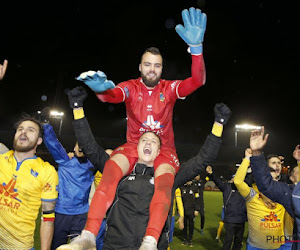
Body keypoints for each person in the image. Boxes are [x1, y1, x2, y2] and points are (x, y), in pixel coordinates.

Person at [75, 7, 207, 249]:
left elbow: (197, 81)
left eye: (157, 66)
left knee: (164, 186)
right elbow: (113, 95)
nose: (152, 70)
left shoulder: (169, 88)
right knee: (110, 174)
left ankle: (150, 241)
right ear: (140, 66)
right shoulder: (131, 87)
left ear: (161, 69)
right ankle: (88, 235)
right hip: (134, 146)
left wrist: (196, 50)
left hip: (164, 149)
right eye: (147, 64)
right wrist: (101, 90)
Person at [56, 86, 231, 250]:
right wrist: (77, 108)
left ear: (159, 151)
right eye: (144, 140)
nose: (148, 142)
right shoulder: (121, 171)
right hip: (116, 245)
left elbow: (203, 159)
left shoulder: (172, 176)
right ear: (136, 147)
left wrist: (219, 124)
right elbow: (89, 147)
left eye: (153, 141)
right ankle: (87, 236)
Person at [39, 108, 97, 250]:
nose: (81, 146)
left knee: (78, 247)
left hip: (81, 214)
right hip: (61, 213)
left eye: (85, 144)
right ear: (74, 147)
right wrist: (45, 124)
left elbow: (108, 157)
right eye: (79, 144)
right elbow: (53, 143)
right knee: (58, 246)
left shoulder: (93, 165)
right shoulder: (65, 160)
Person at [0, 114, 58, 249]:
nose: (23, 132)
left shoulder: (46, 171)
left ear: (39, 140)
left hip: (20, 246)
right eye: (20, 129)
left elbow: (47, 219)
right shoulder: (2, 159)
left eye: (30, 130)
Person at [234, 145, 288, 249]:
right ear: (266, 169)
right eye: (273, 163)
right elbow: (238, 181)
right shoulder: (253, 193)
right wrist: (247, 159)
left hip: (277, 246)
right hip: (256, 246)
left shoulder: (284, 190)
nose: (277, 165)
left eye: (278, 163)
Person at [207, 164, 247, 250]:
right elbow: (217, 181)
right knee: (228, 240)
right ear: (231, 179)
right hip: (230, 220)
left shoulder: (244, 189)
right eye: (234, 178)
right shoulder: (226, 188)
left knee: (238, 241)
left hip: (241, 220)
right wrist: (211, 174)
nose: (236, 180)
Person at [180, 180, 199, 247]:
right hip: (183, 211)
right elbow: (179, 200)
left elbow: (197, 199)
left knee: (191, 225)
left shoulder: (195, 187)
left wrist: (196, 209)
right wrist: (179, 210)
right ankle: (185, 239)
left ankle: (190, 240)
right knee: (184, 225)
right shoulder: (181, 187)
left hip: (192, 210)